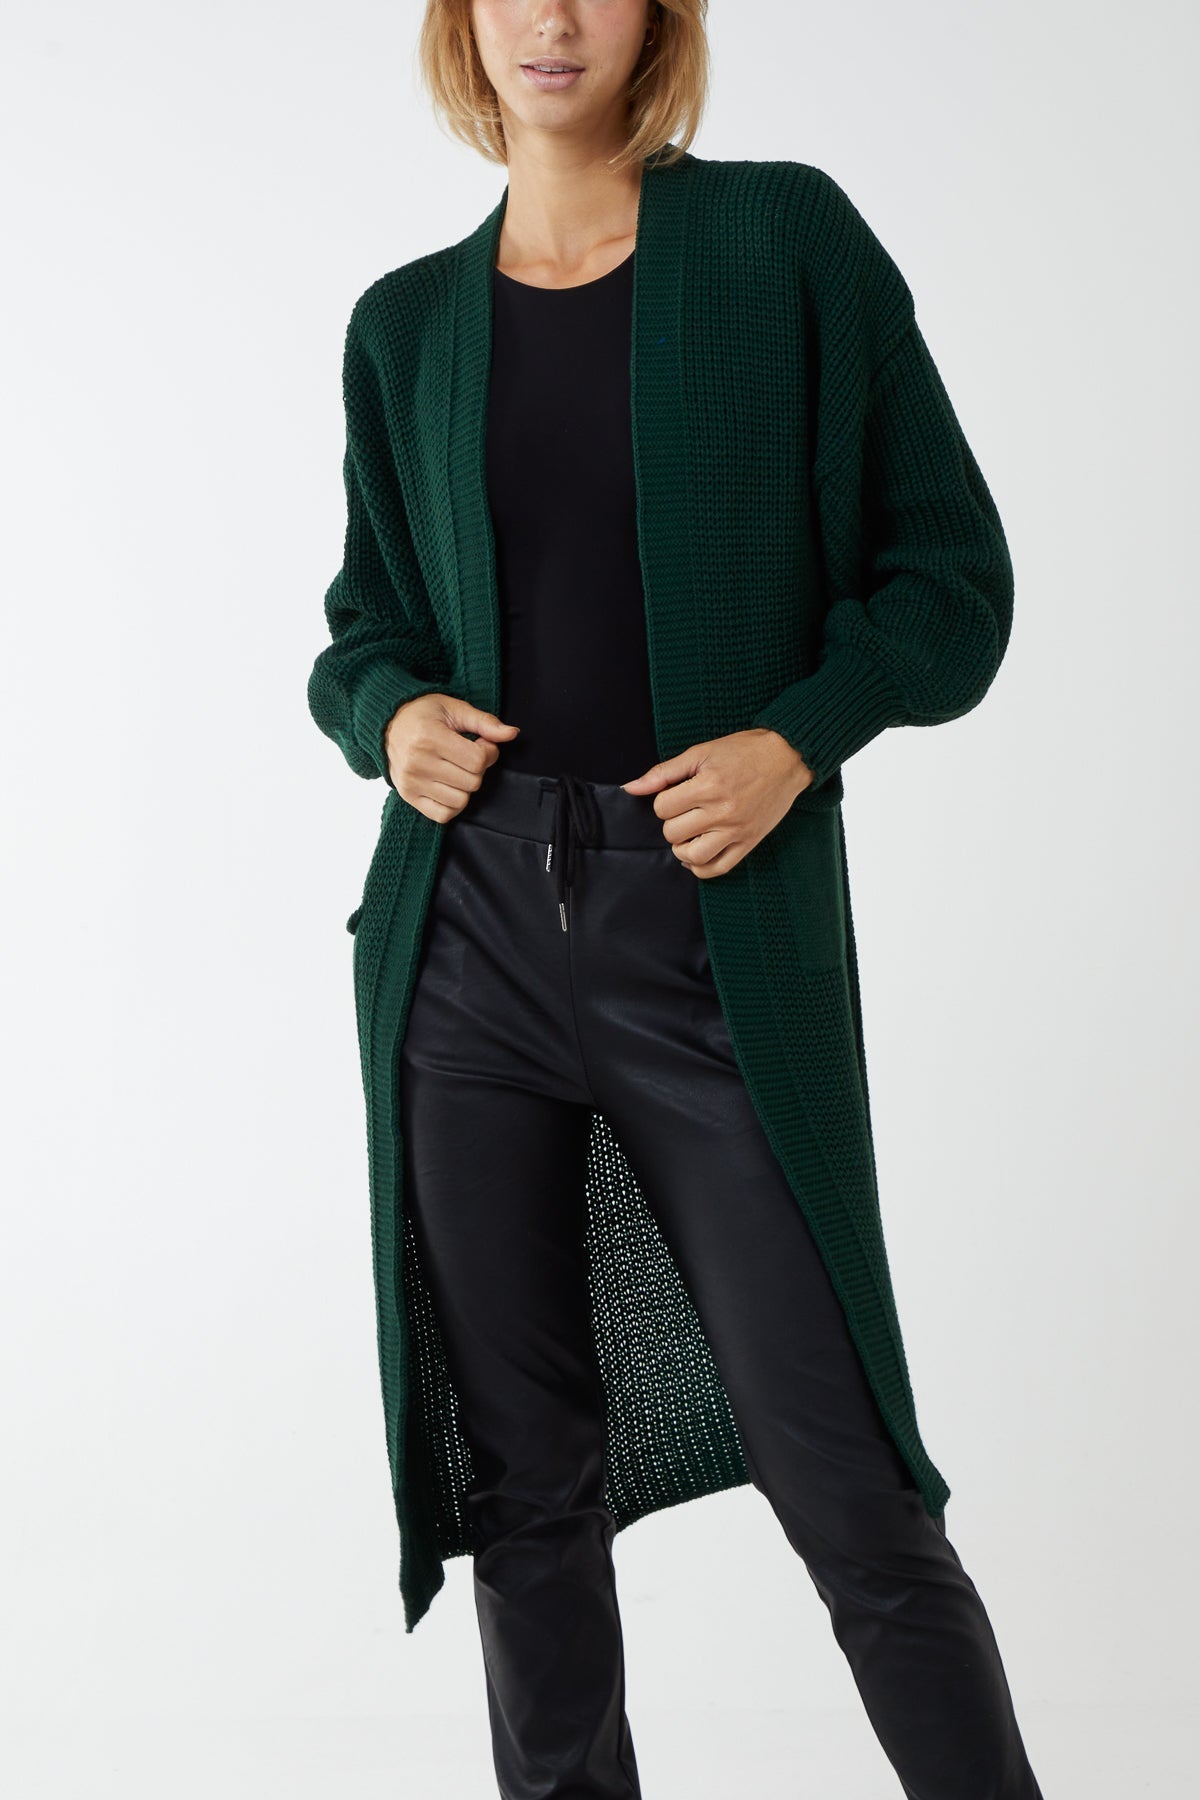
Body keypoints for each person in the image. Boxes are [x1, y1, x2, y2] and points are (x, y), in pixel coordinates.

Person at [308, 3, 1046, 1796]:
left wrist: (797, 738)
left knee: (849, 1478)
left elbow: (951, 581)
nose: (553, 18)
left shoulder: (782, 243)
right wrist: (387, 713)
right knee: (526, 1492)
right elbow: (363, 626)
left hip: (708, 936)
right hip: (466, 947)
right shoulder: (407, 326)